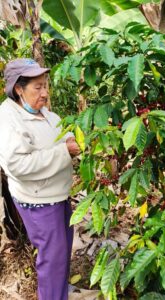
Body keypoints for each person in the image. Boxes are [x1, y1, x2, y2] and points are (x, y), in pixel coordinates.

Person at [0, 58, 80, 300]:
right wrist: (64, 151)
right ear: (18, 89)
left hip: (59, 195)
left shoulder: (44, 113)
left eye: (46, 85)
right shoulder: (7, 119)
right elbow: (18, 164)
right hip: (40, 202)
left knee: (62, 251)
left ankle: (61, 291)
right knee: (52, 259)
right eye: (38, 87)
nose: (45, 93)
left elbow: (61, 135)